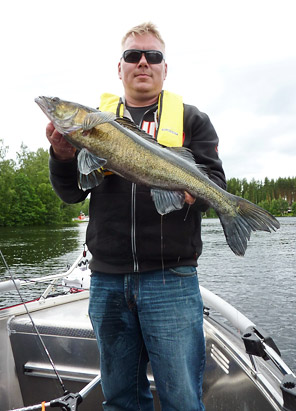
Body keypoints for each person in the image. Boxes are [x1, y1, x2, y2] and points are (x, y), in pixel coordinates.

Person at [46, 22, 226, 411]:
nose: (143, 62)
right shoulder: (94, 123)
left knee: (181, 399)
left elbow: (213, 186)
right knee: (121, 398)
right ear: (120, 68)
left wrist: (194, 195)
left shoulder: (192, 120)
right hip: (108, 280)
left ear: (164, 68)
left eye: (153, 56)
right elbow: (72, 193)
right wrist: (61, 157)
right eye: (133, 55)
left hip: (172, 279)